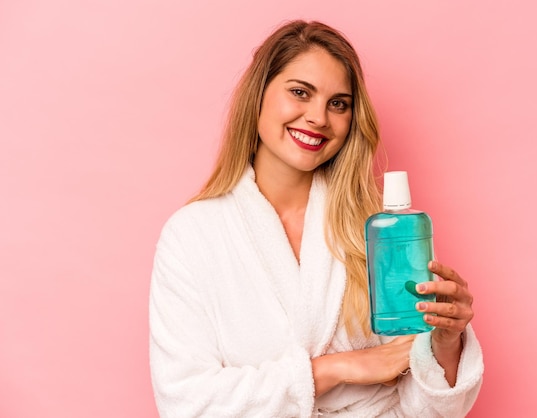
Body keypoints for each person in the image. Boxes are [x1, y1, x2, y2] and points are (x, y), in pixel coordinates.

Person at [149, 20, 483, 417]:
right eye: (299, 92)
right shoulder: (192, 236)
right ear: (259, 95)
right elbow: (185, 403)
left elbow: (428, 408)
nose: (319, 118)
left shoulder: (378, 231)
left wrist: (446, 342)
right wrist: (335, 369)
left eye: (338, 103)